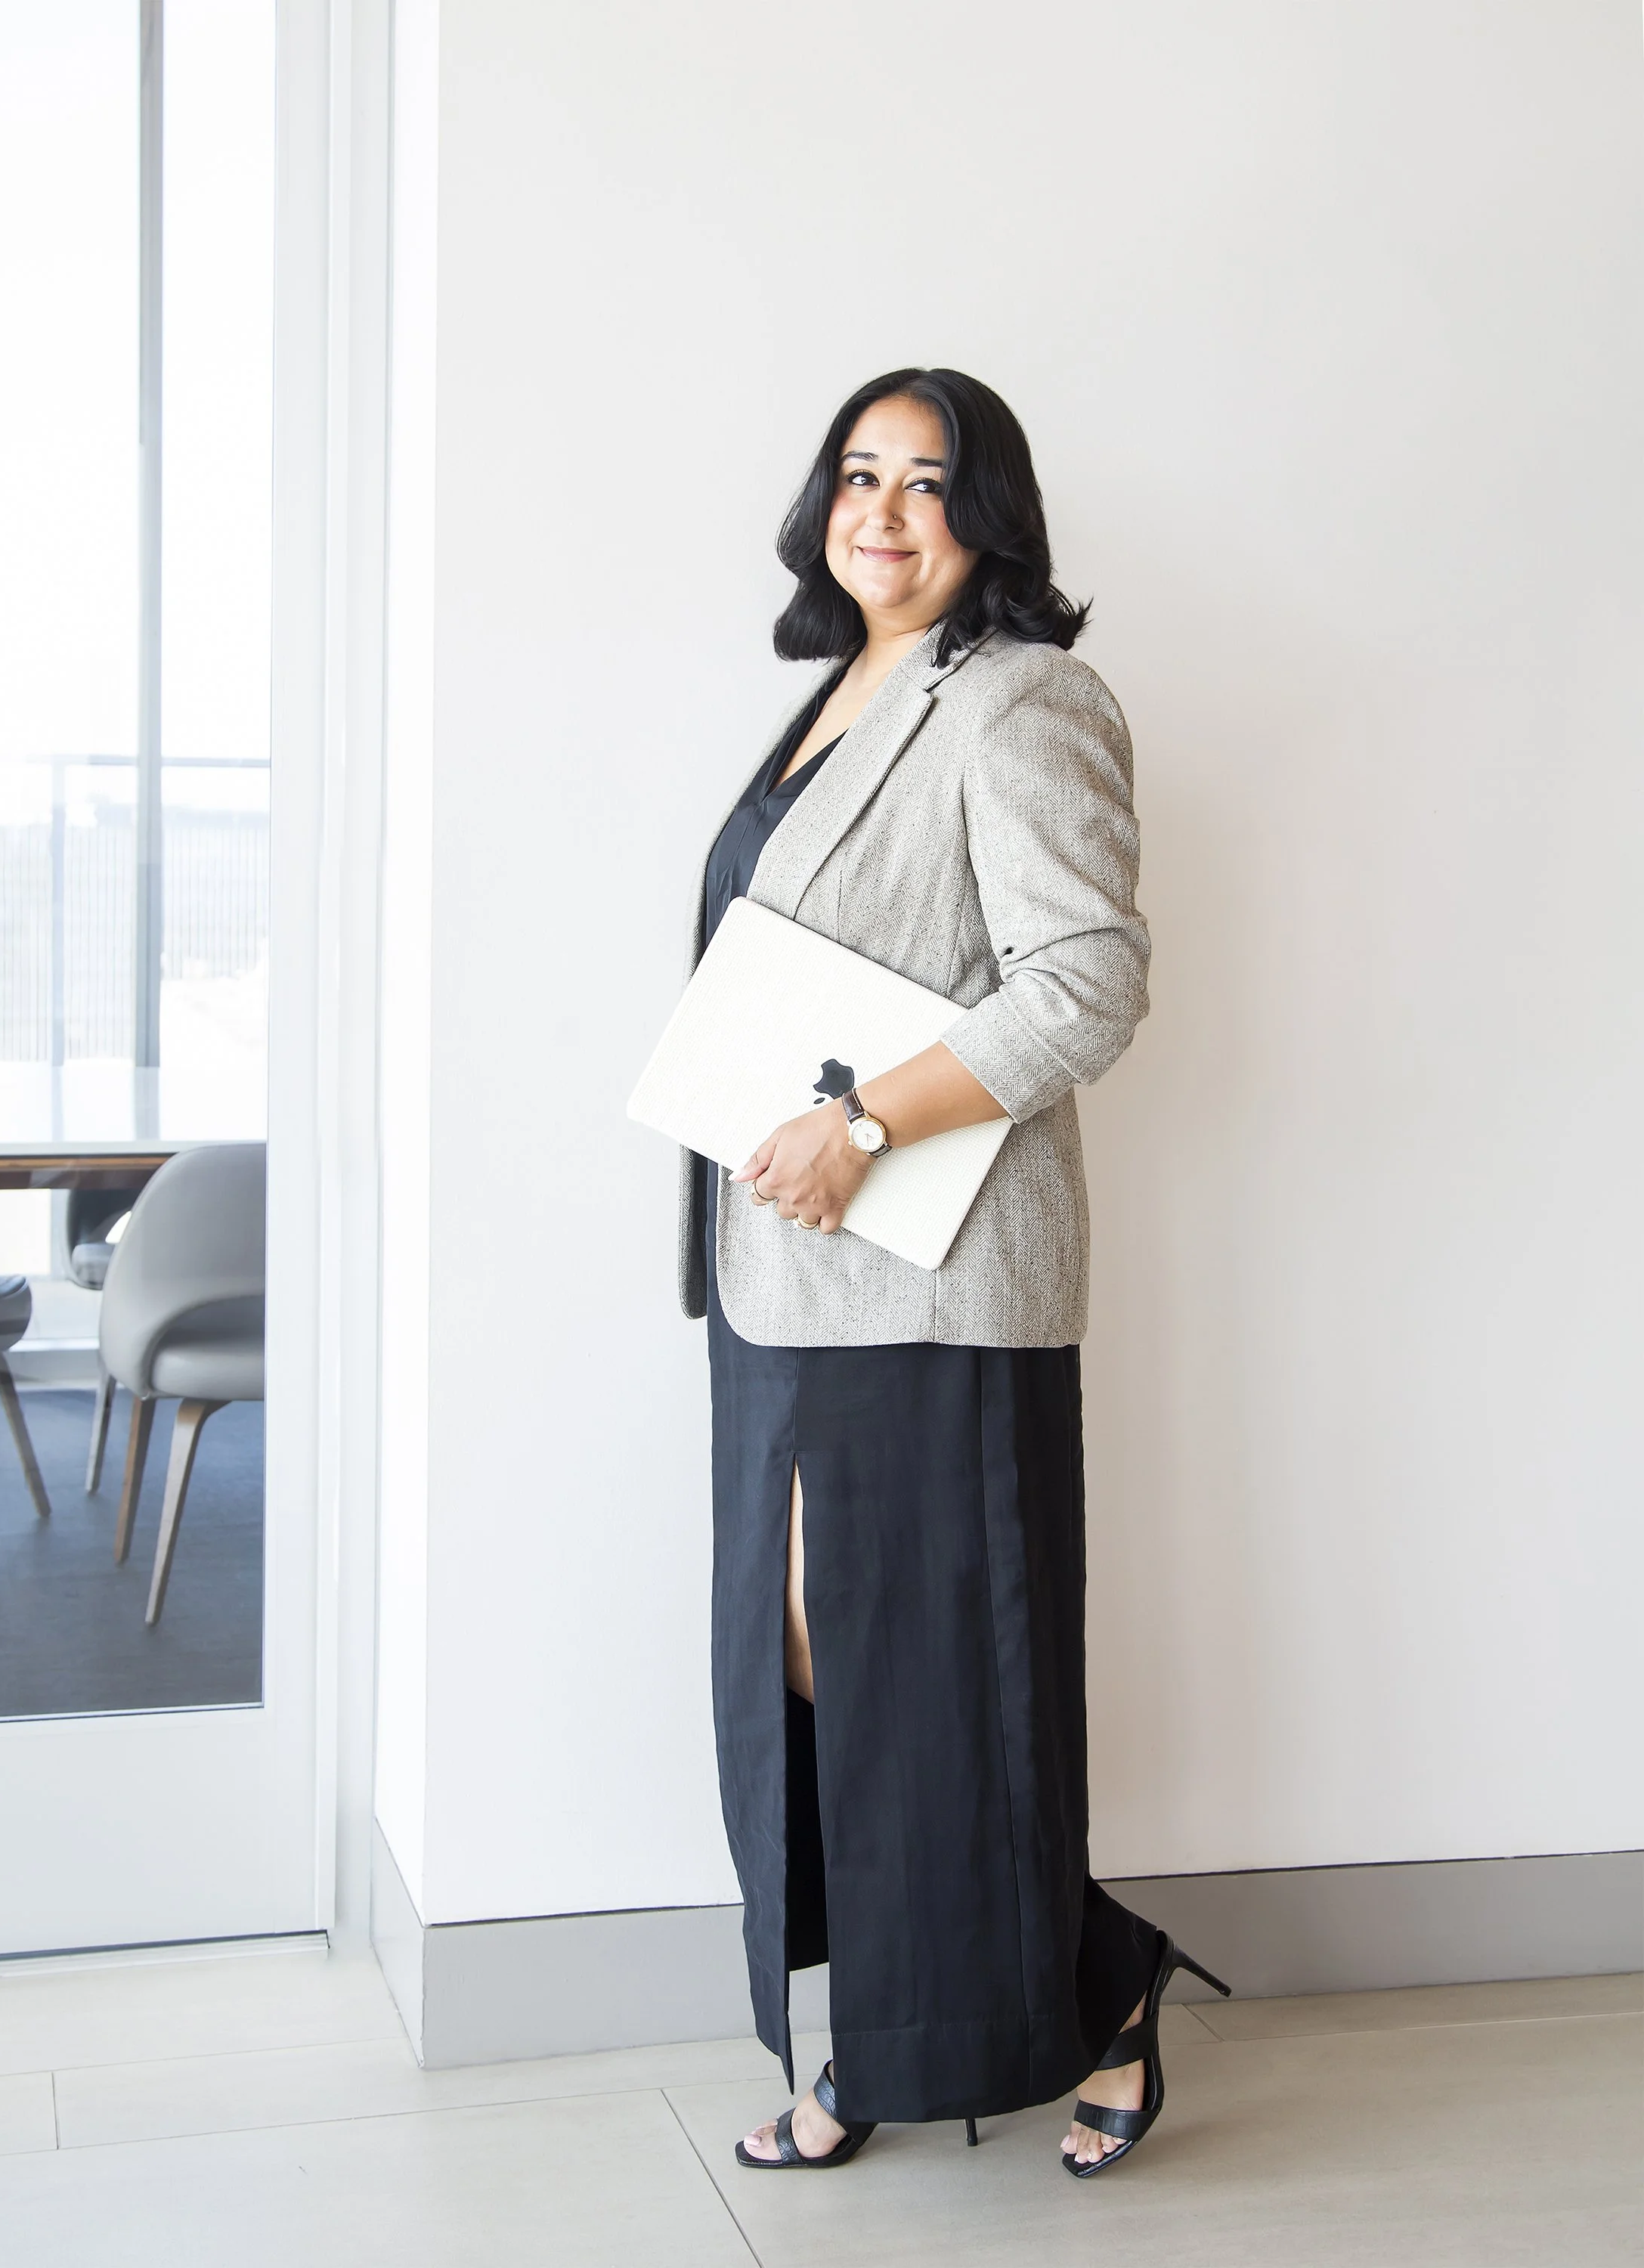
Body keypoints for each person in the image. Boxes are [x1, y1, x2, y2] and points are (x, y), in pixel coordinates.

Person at [680, 367, 1228, 2180]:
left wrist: (856, 1120)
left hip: (934, 1268)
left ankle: (981, 2035)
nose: (885, 513)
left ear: (992, 514)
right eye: (859, 475)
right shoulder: (837, 699)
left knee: (941, 1672)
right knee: (820, 1663)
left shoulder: (1026, 701)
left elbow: (1087, 987)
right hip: (780, 1266)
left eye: (928, 483)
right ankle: (1034, 1990)